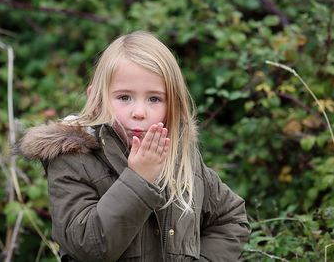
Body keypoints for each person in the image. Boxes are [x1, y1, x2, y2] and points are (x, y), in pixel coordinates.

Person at [18, 31, 250, 262]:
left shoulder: (178, 157)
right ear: (97, 99)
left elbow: (231, 218)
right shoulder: (73, 158)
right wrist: (139, 179)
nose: (139, 112)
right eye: (124, 97)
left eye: (154, 99)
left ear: (173, 104)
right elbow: (87, 247)